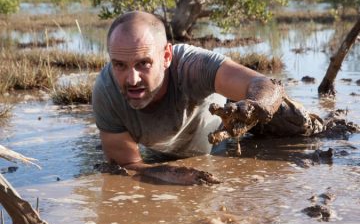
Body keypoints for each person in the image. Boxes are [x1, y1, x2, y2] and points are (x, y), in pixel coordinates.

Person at [92, 11, 289, 185]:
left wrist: (251, 109)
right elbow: (127, 165)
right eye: (120, 65)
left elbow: (266, 85)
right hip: (165, 155)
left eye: (143, 63)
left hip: (234, 122)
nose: (132, 80)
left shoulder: (192, 66)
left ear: (167, 56)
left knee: (298, 123)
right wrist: (171, 173)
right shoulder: (106, 91)